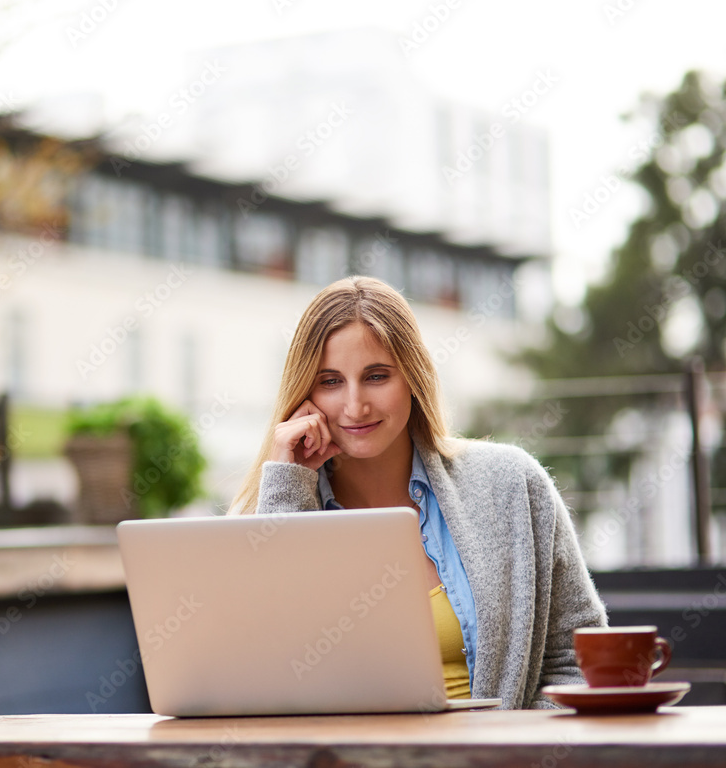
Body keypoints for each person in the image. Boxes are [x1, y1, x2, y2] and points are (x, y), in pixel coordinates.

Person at [229, 275, 607, 709]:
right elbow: (263, 677)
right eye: (330, 381)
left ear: (413, 376)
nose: (355, 406)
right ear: (304, 392)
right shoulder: (264, 510)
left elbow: (581, 661)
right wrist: (286, 492)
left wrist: (511, 747)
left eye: (376, 376)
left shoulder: (511, 485)